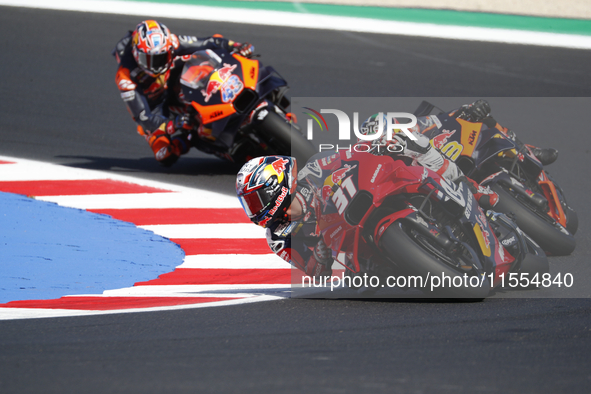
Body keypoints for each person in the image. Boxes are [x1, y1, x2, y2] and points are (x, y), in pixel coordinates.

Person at [113, 20, 254, 166]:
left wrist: (236, 46)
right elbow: (143, 118)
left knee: (207, 58)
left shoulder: (171, 42)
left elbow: (208, 42)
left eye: (162, 56)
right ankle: (191, 138)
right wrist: (172, 124)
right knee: (164, 154)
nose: (156, 65)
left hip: (176, 81)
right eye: (148, 59)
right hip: (155, 106)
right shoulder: (125, 76)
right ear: (136, 54)